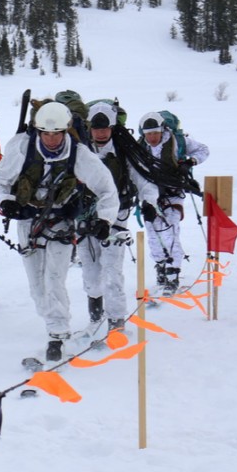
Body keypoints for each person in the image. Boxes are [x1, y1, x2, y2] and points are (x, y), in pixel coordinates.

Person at [0, 101, 118, 362]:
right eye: (45, 133)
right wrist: (4, 202)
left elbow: (107, 188)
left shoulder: (80, 154)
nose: (51, 139)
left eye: (56, 133)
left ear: (65, 131)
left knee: (54, 279)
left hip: (60, 222)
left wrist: (105, 219)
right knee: (37, 287)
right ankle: (51, 320)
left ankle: (57, 335)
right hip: (28, 221)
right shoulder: (22, 148)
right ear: (38, 131)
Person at [79, 102, 159, 332]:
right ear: (90, 128)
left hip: (117, 219)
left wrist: (149, 202)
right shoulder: (80, 151)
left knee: (113, 272)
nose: (101, 133)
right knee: (91, 275)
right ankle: (95, 318)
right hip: (86, 220)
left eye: (105, 128)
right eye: (96, 128)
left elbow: (144, 180)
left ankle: (116, 323)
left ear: (113, 128)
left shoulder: (124, 152)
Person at [136, 111, 210, 295]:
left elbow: (203, 150)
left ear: (162, 130)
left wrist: (190, 161)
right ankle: (161, 267)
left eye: (155, 133)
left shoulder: (178, 142)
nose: (152, 137)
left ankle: (172, 273)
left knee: (170, 231)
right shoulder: (138, 146)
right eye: (148, 134)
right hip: (149, 195)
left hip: (173, 193)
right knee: (153, 232)